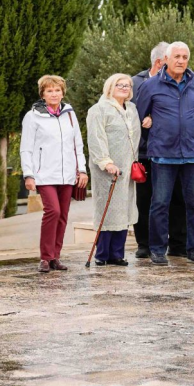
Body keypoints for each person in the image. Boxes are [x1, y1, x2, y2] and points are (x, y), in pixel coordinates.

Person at [135, 41, 194, 266]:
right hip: (163, 154)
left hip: (192, 154)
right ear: (165, 59)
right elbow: (141, 118)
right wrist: (156, 137)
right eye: (176, 56)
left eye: (185, 57)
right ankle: (157, 250)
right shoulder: (150, 86)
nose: (181, 61)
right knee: (160, 203)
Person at [20, 75, 88, 273]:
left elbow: (77, 144)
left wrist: (82, 170)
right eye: (49, 91)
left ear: (62, 93)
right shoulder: (32, 116)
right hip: (44, 174)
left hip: (68, 174)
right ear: (42, 94)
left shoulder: (69, 114)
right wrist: (28, 174)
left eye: (57, 90)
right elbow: (26, 148)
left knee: (63, 215)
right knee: (53, 211)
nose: (54, 94)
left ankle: (55, 257)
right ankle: (45, 257)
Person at [131, 42, 187, 259]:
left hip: (172, 152)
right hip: (145, 153)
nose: (177, 63)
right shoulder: (135, 83)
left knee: (177, 198)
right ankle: (145, 244)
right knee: (145, 200)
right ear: (160, 62)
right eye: (172, 58)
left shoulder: (182, 81)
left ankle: (178, 244)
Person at [86, 74, 141, 266]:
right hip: (107, 169)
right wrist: (106, 162)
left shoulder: (132, 109)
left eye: (128, 85)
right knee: (107, 209)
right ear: (110, 87)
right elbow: (96, 137)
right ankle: (102, 254)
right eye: (120, 85)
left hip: (127, 167)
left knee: (123, 210)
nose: (125, 88)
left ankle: (117, 254)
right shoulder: (99, 109)